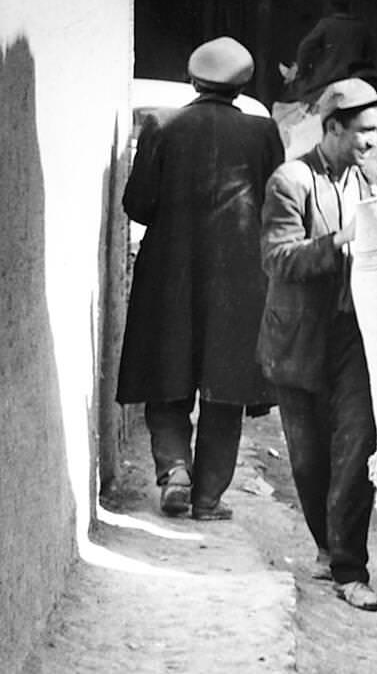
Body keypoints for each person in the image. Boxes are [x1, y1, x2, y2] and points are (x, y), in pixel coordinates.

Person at [117, 36, 284, 520]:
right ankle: (208, 497)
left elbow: (138, 204)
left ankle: (175, 471)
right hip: (240, 280)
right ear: (240, 85)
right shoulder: (264, 133)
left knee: (166, 376)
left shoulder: (161, 127)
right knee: (225, 386)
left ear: (193, 80)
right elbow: (276, 208)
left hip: (168, 274)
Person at [257, 77, 377, 611]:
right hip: (300, 340)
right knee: (310, 464)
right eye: (364, 132)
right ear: (333, 128)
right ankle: (324, 544)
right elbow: (276, 258)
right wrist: (338, 243)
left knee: (355, 452)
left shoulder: (374, 181)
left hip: (356, 340)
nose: (372, 143)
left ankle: (349, 569)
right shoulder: (290, 182)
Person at [285, 0, 377, 105]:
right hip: (358, 81)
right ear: (349, 6)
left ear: (331, 6)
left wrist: (304, 72)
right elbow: (371, 56)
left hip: (329, 80)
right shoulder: (361, 27)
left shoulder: (326, 25)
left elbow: (304, 48)